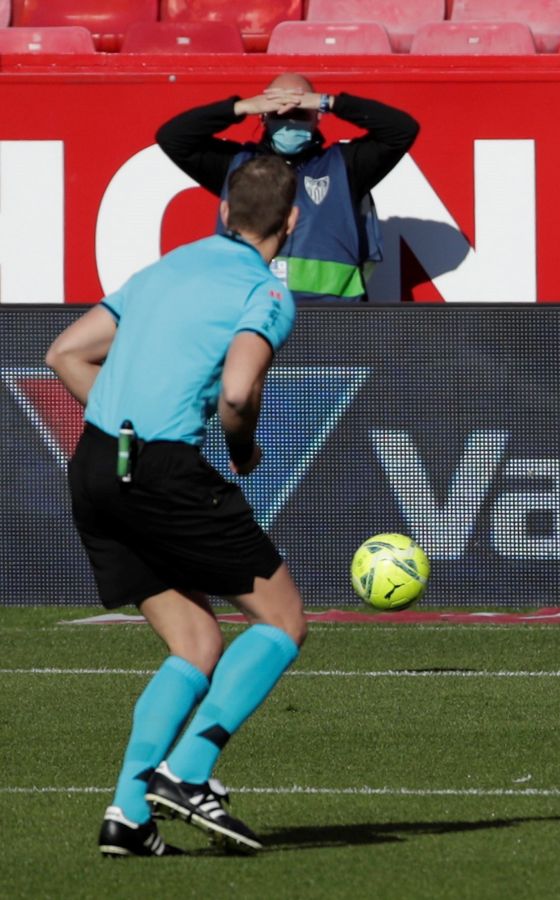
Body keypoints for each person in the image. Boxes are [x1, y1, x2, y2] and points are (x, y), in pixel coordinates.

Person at [48, 155, 305, 856]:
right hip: (162, 468)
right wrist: (244, 450)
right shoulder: (268, 293)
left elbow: (65, 353)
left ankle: (128, 816)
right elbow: (235, 392)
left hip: (97, 462)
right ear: (291, 221)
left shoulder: (167, 267)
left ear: (223, 213)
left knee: (195, 643)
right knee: (282, 622)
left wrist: (122, 429)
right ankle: (188, 772)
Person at [157, 72, 419, 302]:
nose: (289, 119)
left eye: (299, 111)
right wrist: (240, 107)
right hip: (253, 319)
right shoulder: (237, 165)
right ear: (263, 116)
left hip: (334, 326)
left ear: (317, 116)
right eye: (278, 110)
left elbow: (402, 129)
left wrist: (326, 101)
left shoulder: (345, 165)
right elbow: (173, 137)